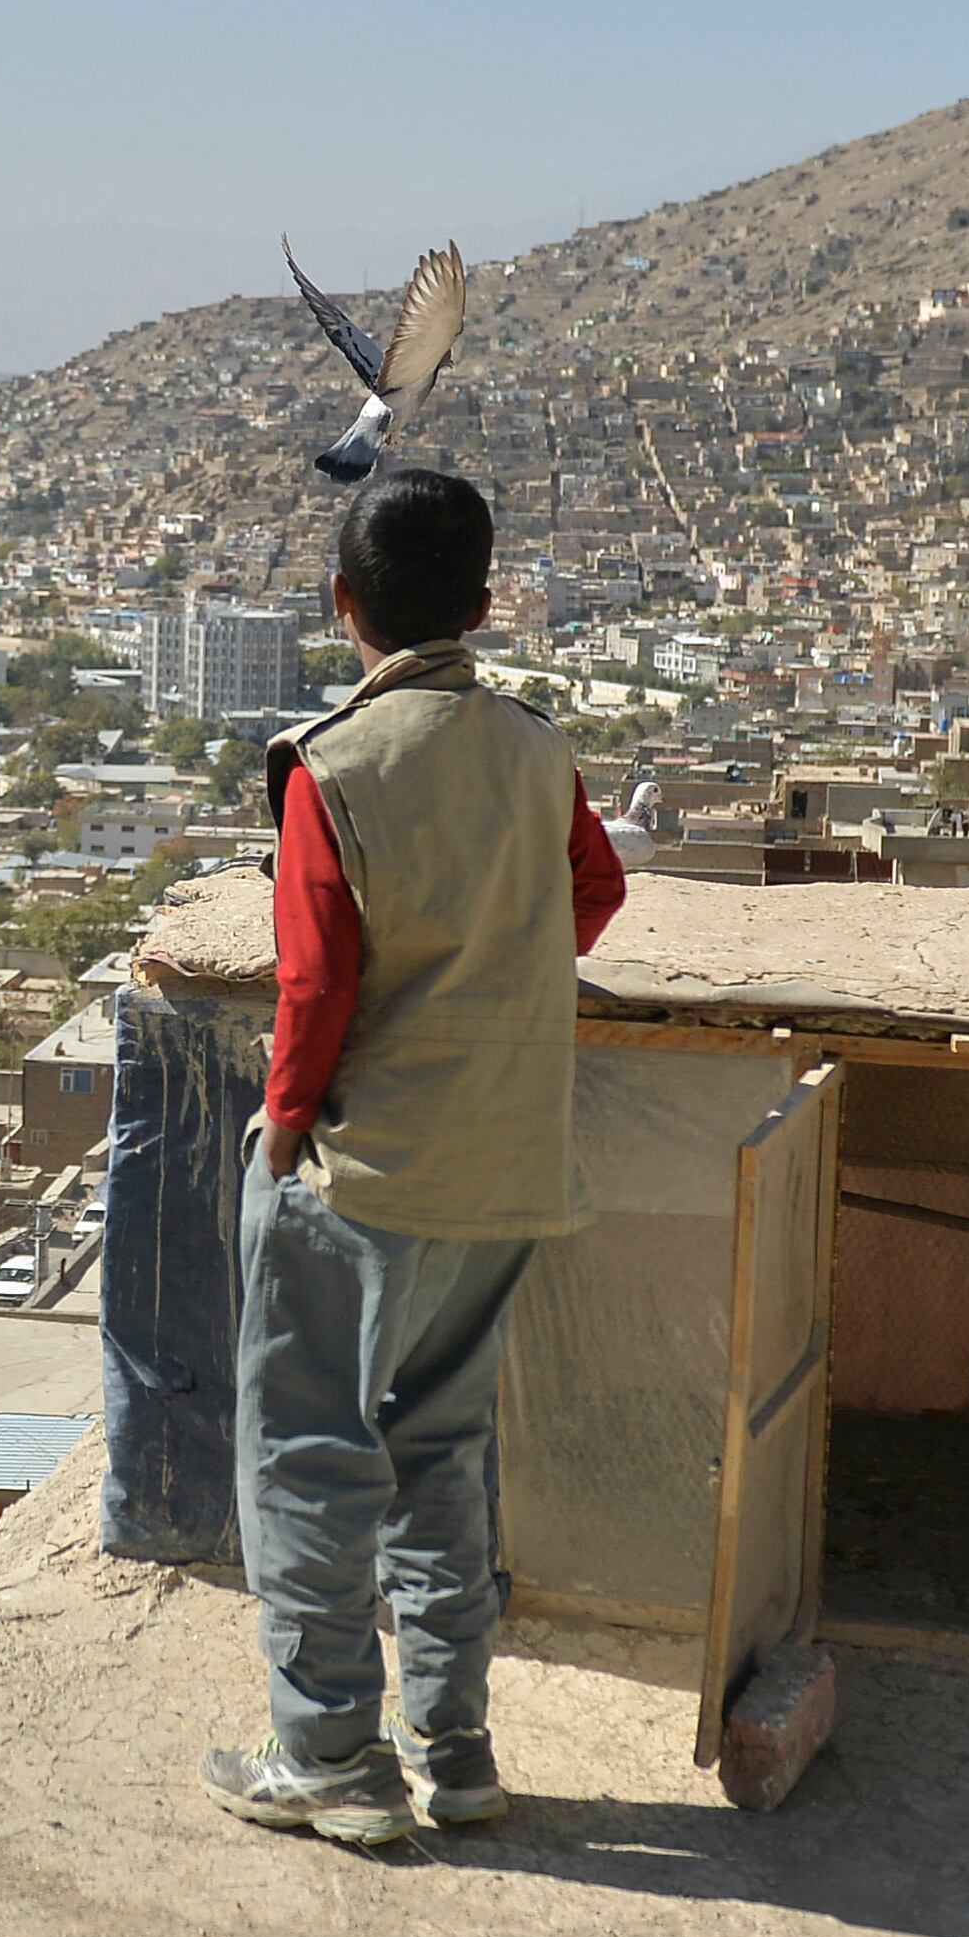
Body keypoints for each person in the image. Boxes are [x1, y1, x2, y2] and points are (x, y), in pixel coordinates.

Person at [201, 466, 626, 1847]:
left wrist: (282, 1125)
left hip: (366, 1171)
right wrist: (494, 987)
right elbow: (594, 889)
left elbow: (312, 982)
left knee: (312, 1455)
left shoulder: (335, 764)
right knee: (442, 1455)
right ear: (485, 603)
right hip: (504, 1162)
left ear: (343, 604)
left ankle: (327, 1758)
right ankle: (452, 1750)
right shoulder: (532, 746)